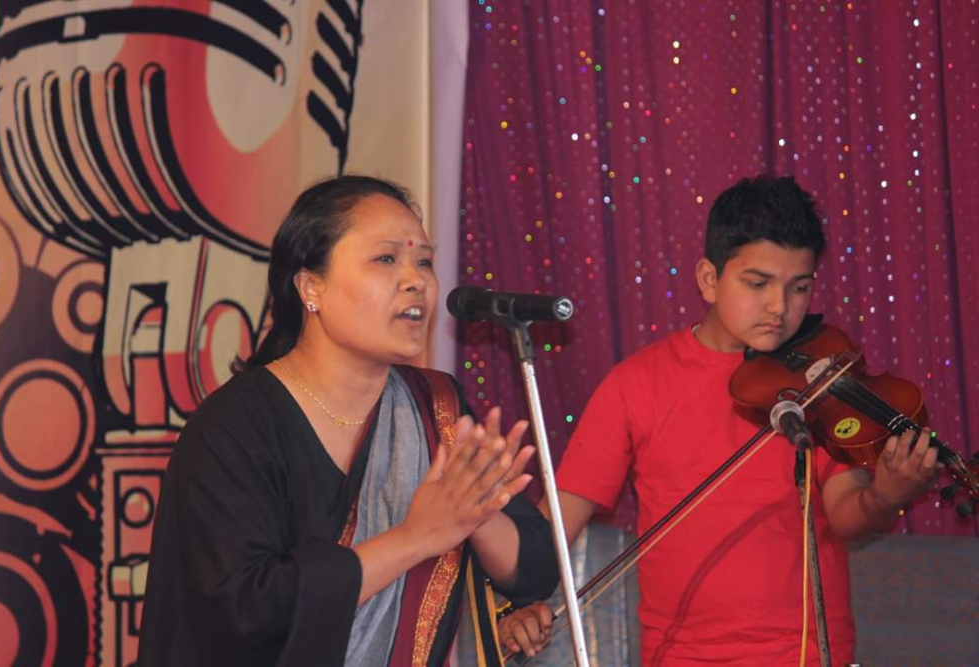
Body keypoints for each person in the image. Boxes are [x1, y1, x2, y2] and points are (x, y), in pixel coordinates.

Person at [497, 176, 938, 665]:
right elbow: (556, 523)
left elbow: (845, 514)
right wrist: (514, 605)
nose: (780, 308)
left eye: (800, 287)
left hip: (810, 655)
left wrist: (886, 494)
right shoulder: (636, 384)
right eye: (758, 283)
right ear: (709, 279)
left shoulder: (819, 381)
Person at [138, 175, 559, 666]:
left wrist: (474, 513)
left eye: (424, 261)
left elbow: (535, 571)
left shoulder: (434, 409)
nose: (416, 279)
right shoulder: (234, 426)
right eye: (386, 259)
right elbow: (243, 611)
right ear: (311, 285)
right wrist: (415, 539)